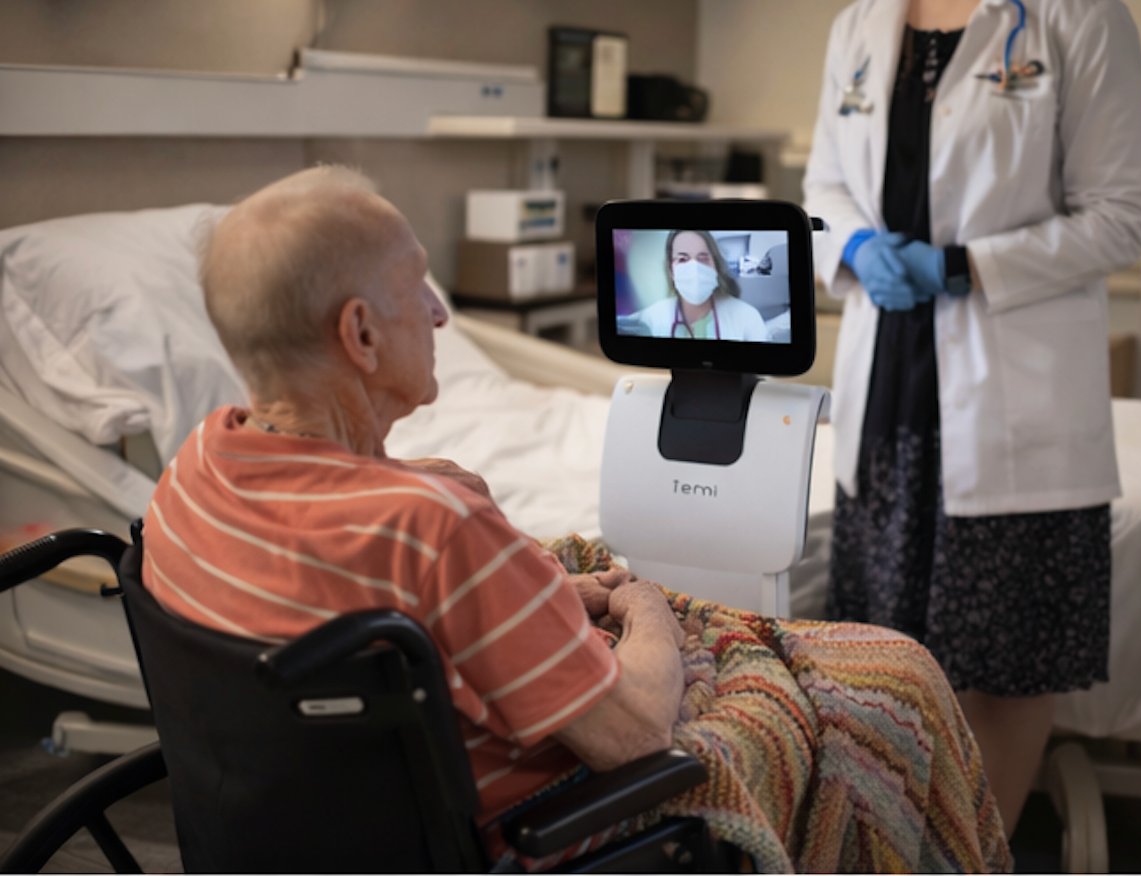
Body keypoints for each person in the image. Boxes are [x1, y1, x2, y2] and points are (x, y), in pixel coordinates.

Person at [143, 167, 1010, 871]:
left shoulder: (191, 472)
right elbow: (632, 734)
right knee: (893, 677)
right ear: (361, 336)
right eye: (421, 289)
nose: (444, 313)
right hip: (539, 827)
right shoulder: (435, 526)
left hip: (310, 832)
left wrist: (512, 567)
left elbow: (364, 571)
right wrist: (647, 612)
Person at [805, 0, 1141, 836]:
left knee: (1006, 674)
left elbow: (1120, 215)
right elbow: (824, 183)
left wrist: (964, 266)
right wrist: (852, 247)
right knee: (882, 664)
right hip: (887, 399)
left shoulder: (1081, 18)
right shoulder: (860, 24)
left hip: (1015, 405)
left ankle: (972, 855)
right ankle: (889, 849)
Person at [627, 230, 769, 340]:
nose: (694, 267)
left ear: (716, 268)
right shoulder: (652, 317)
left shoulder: (747, 317)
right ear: (671, 270)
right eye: (683, 259)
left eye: (703, 258)